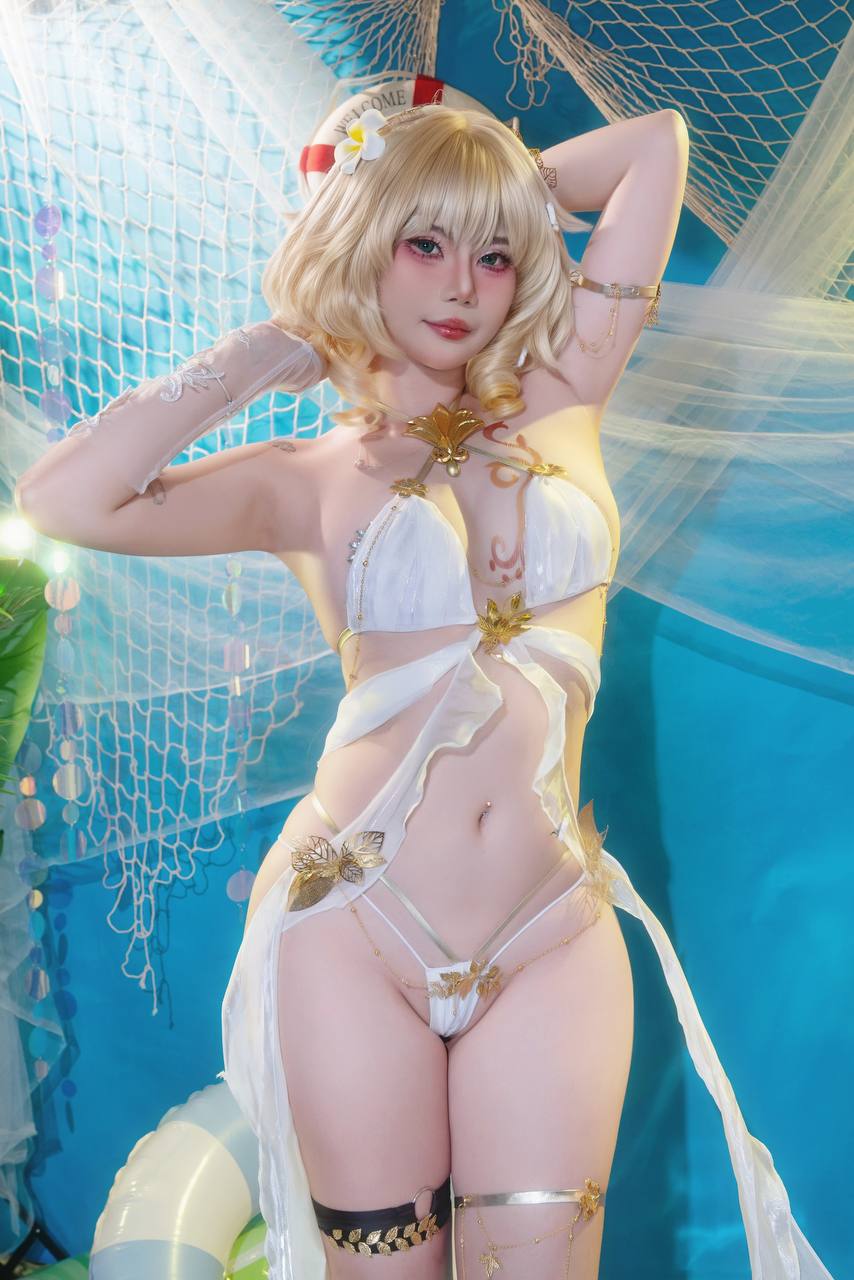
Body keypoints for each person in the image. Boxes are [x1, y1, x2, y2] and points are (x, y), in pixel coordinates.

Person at [14, 103, 833, 1280]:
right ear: (363, 242)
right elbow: (62, 498)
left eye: (492, 255)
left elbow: (653, 145)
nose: (461, 284)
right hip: (353, 926)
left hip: (548, 928)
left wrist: (477, 184)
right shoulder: (301, 480)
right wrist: (277, 348)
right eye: (422, 244)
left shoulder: (566, 388)